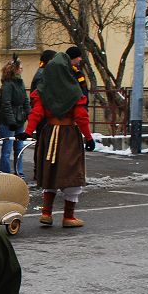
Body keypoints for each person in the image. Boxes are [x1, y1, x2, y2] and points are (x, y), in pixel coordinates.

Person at [16, 52, 95, 228]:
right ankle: (68, 216)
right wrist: (88, 137)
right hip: (68, 136)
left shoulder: (43, 91)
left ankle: (46, 213)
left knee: (50, 171)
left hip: (49, 134)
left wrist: (28, 131)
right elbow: (81, 117)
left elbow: (36, 113)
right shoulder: (74, 91)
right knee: (72, 173)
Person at [0, 56, 30, 177]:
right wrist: (11, 121)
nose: (22, 69)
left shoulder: (20, 82)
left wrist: (29, 113)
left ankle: (19, 172)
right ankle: (4, 173)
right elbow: (6, 104)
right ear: (15, 69)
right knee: (7, 149)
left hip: (19, 119)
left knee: (19, 148)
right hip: (8, 121)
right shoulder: (7, 84)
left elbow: (25, 100)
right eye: (20, 67)